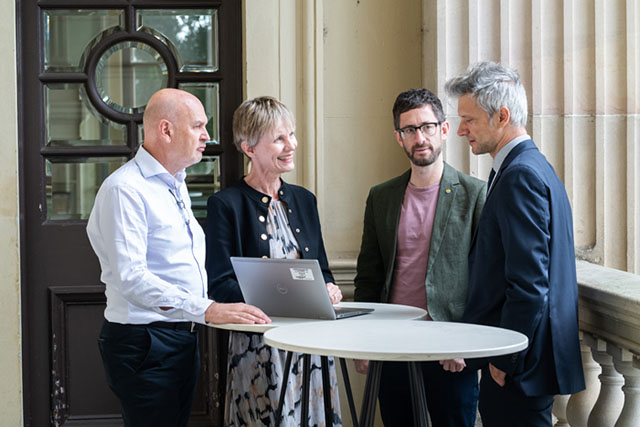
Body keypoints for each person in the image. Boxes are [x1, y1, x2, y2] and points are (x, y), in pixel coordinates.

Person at [86, 88, 271, 427]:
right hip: (145, 342)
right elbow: (132, 277)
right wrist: (208, 309)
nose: (207, 136)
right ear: (166, 130)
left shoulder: (175, 183)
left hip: (181, 336)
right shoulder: (125, 189)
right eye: (198, 126)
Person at [445, 61, 586, 426]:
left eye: (469, 120)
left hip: (518, 365)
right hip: (525, 363)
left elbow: (529, 282)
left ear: (501, 116)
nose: (461, 130)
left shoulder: (520, 174)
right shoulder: (530, 166)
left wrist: (504, 358)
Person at [205, 96, 343, 426]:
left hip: (312, 341)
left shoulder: (305, 200)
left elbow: (321, 267)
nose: (291, 145)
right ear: (248, 147)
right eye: (279, 138)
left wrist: (330, 287)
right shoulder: (225, 205)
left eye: (291, 135)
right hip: (258, 344)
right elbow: (220, 283)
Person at [353, 88, 486, 427]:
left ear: (443, 129)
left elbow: (486, 279)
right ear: (399, 138)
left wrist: (466, 344)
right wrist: (363, 340)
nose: (420, 137)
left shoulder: (475, 195)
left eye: (427, 126)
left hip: (450, 348)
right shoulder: (381, 197)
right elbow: (369, 274)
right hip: (393, 343)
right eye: (409, 129)